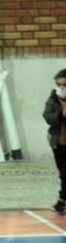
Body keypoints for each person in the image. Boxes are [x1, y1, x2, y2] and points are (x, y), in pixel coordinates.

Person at [42, 68, 66, 215]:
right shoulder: (52, 100)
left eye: (65, 85)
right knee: (63, 172)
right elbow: (47, 117)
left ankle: (61, 201)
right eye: (59, 84)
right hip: (59, 143)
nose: (61, 88)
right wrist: (61, 115)